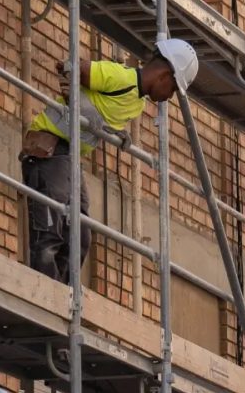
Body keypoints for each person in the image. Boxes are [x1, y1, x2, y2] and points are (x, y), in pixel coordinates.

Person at [20, 39, 199, 283]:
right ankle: (43, 295)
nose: (169, 96)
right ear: (164, 75)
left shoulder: (137, 102)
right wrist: (81, 100)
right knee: (50, 234)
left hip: (70, 158)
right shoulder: (120, 77)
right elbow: (70, 67)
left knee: (79, 238)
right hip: (49, 148)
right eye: (174, 88)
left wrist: (113, 132)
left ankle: (63, 296)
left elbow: (103, 112)